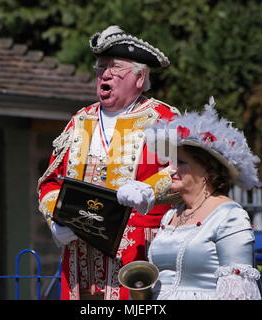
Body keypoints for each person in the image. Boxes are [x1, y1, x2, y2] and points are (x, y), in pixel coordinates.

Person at [37, 25, 180, 300]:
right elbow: (50, 182)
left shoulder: (161, 119)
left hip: (138, 256)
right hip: (79, 262)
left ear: (140, 78)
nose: (105, 75)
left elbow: (185, 174)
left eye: (115, 69)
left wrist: (149, 189)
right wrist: (57, 218)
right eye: (101, 69)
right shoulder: (80, 120)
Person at [144, 97, 262, 300]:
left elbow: (238, 292)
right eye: (170, 162)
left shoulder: (230, 216)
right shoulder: (171, 214)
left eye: (180, 162)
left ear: (206, 170)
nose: (170, 170)